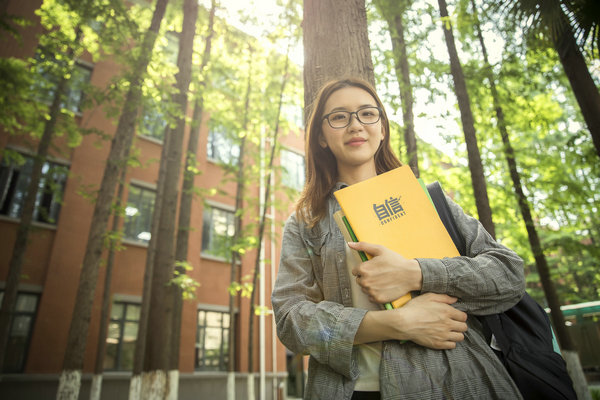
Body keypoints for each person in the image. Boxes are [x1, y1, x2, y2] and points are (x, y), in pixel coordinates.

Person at [271, 77, 526, 400]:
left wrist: (415, 272)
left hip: (457, 382)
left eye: (367, 113)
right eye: (339, 117)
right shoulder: (306, 222)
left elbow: (509, 275)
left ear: (382, 127)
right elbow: (290, 318)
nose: (355, 125)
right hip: (348, 390)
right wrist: (396, 323)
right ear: (321, 137)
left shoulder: (429, 200)